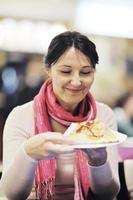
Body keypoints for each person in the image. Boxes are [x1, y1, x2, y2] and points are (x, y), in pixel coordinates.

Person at [0, 31, 120, 200]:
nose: (77, 81)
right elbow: (10, 194)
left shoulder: (103, 115)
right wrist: (28, 154)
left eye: (85, 72)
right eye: (66, 72)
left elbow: (108, 194)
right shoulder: (22, 116)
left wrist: (99, 162)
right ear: (48, 69)